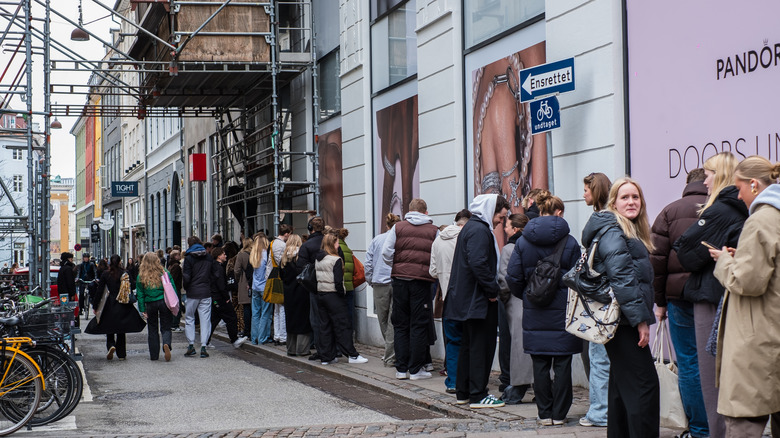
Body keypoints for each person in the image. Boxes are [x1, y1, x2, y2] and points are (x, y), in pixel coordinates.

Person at [674, 152, 747, 438]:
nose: (704, 179)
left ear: (722, 176)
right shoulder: (740, 209)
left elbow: (685, 252)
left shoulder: (719, 210)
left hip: (710, 295)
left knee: (709, 375)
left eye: (709, 173)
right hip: (725, 293)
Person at [580, 177, 659, 437]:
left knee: (620, 387)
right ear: (613, 202)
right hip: (625, 322)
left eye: (635, 197)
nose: (631, 202)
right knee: (644, 386)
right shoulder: (615, 230)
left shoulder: (628, 230)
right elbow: (623, 279)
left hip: (622, 320)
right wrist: (640, 321)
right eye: (625, 197)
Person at [708, 156, 780, 436]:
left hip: (757, 339)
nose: (738, 195)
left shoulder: (761, 219)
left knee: (743, 424)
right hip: (771, 333)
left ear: (753, 184)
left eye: (739, 188)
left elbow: (746, 282)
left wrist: (724, 261)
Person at [506, 194, 581, 425]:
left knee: (539, 364)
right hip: (562, 311)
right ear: (559, 213)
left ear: (539, 212)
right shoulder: (570, 242)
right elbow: (579, 278)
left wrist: (529, 295)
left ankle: (544, 413)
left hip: (535, 309)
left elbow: (513, 277)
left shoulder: (523, 241)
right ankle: (559, 415)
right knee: (562, 364)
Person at [650, 168, 709, 438]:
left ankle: (699, 429)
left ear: (687, 184)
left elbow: (657, 263)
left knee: (688, 363)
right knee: (715, 362)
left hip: (679, 297)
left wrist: (660, 303)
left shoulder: (669, 211)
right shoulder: (721, 206)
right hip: (712, 297)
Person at [444, 194, 510, 409]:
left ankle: (464, 392)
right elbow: (479, 263)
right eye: (500, 217)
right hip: (478, 300)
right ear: (491, 210)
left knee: (468, 346)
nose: (500, 222)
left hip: (468, 299)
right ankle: (478, 394)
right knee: (481, 347)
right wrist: (492, 290)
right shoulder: (480, 230)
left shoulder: (472, 228)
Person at [381, 198, 439, 380]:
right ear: (426, 212)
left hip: (399, 280)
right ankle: (415, 369)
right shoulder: (433, 230)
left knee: (400, 324)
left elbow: (386, 252)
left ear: (408, 211)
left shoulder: (398, 228)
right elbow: (436, 255)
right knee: (419, 324)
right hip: (421, 282)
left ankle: (401, 369)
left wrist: (397, 266)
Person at [579, 171, 613, 428]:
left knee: (599, 356)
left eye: (587, 190)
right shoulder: (615, 221)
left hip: (601, 299)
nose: (583, 195)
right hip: (612, 296)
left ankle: (600, 412)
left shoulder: (599, 222)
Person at [429, 209, 471, 393]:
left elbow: (432, 271)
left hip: (447, 297)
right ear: (465, 224)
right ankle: (468, 382)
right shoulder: (465, 238)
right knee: (469, 342)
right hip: (466, 298)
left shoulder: (438, 240)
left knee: (453, 343)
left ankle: (453, 382)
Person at [315, 233, 368, 365]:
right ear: (332, 244)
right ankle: (352, 355)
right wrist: (342, 293)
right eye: (337, 243)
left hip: (321, 294)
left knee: (325, 326)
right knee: (342, 325)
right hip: (334, 295)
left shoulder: (318, 259)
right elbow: (338, 281)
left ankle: (327, 356)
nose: (338, 245)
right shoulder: (336, 260)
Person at [497, 212, 532, 404]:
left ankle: (517, 388)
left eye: (508, 226)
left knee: (518, 347)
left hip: (516, 301)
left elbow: (504, 279)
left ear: (516, 229)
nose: (505, 228)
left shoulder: (509, 249)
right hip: (535, 301)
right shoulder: (533, 244)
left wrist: (503, 299)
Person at [365, 213, 402, 367]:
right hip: (396, 281)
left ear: (386, 225)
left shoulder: (377, 239)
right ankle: (391, 353)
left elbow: (368, 263)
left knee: (383, 319)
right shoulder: (400, 240)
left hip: (379, 282)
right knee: (394, 319)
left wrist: (370, 280)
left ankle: (390, 354)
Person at [134, 253, 175, 361]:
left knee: (152, 329)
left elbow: (140, 294)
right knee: (166, 326)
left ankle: (154, 355)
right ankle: (166, 344)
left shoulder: (141, 275)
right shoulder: (164, 272)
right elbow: (172, 287)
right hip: (163, 301)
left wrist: (142, 309)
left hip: (150, 303)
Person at [297, 217, 326, 360]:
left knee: (316, 320)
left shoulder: (307, 245)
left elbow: (301, 268)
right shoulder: (329, 243)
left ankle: (321, 350)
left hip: (315, 287)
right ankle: (333, 348)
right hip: (331, 285)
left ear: (310, 228)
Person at [182, 236, 217, 358]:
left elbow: (186, 277)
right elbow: (214, 274)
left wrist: (187, 287)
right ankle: (203, 346)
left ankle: (191, 345)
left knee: (190, 318)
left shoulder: (189, 258)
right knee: (205, 319)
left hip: (192, 292)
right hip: (206, 292)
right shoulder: (208, 257)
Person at [207, 247, 247, 349]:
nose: (225, 256)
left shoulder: (213, 266)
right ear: (219, 256)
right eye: (223, 254)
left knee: (214, 320)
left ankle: (206, 341)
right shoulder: (219, 268)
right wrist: (226, 298)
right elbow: (221, 285)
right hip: (220, 297)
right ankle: (234, 340)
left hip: (215, 297)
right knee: (231, 317)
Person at [280, 234, 311, 356]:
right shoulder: (301, 258)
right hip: (302, 292)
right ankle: (302, 349)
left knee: (291, 320)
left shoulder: (283, 259)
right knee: (303, 320)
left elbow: (281, 276)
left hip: (288, 293)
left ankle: (291, 348)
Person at [269, 225, 291, 346]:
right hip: (280, 278)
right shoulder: (282, 245)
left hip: (273, 276)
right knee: (282, 308)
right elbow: (282, 262)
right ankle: (282, 336)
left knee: (276, 309)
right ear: (286, 234)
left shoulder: (272, 243)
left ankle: (277, 335)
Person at [250, 233, 272, 345]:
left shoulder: (254, 255)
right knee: (265, 313)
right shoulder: (266, 254)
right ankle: (263, 338)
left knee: (255, 314)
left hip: (255, 286)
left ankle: (254, 338)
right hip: (264, 287)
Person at [337, 227, 356, 334]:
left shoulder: (336, 248)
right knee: (349, 312)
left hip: (340, 286)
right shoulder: (348, 249)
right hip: (350, 286)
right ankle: (350, 336)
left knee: (340, 313)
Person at [234, 237, 254, 339]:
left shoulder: (241, 255)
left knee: (246, 307)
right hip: (255, 281)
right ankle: (254, 331)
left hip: (244, 281)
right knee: (255, 308)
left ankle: (247, 331)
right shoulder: (255, 253)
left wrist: (238, 280)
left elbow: (236, 270)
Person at [167, 250, 184, 332]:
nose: (180, 256)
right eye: (178, 255)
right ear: (175, 256)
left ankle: (172, 324)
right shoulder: (176, 266)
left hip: (172, 288)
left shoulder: (170, 265)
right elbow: (174, 278)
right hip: (175, 288)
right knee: (177, 306)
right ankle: (175, 324)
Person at [77, 253, 97, 318]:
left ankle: (93, 304)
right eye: (85, 257)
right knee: (81, 294)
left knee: (92, 292)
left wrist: (96, 278)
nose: (86, 258)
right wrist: (78, 278)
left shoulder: (91, 265)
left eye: (87, 257)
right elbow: (79, 272)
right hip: (82, 280)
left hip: (90, 280)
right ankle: (81, 308)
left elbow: (95, 272)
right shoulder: (81, 265)